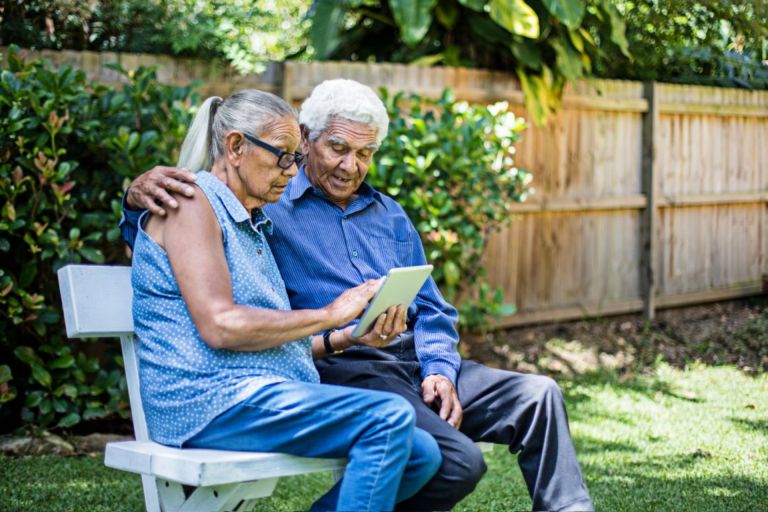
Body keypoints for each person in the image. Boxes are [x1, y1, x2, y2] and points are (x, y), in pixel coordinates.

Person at [122, 80, 594, 512]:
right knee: (439, 453)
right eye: (339, 148)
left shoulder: (383, 214)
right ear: (307, 142)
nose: (352, 166)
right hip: (341, 371)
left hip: (394, 361)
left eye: (366, 153)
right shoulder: (268, 202)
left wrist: (439, 370)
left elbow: (431, 308)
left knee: (540, 394)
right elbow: (171, 233)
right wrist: (135, 199)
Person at [128, 88, 441, 512]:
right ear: (236, 146)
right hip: (205, 401)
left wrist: (344, 338)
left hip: (254, 390)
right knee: (388, 418)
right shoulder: (192, 201)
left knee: (422, 453)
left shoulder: (251, 222)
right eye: (283, 155)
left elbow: (266, 337)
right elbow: (221, 326)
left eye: (296, 157)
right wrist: (330, 313)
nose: (292, 171)